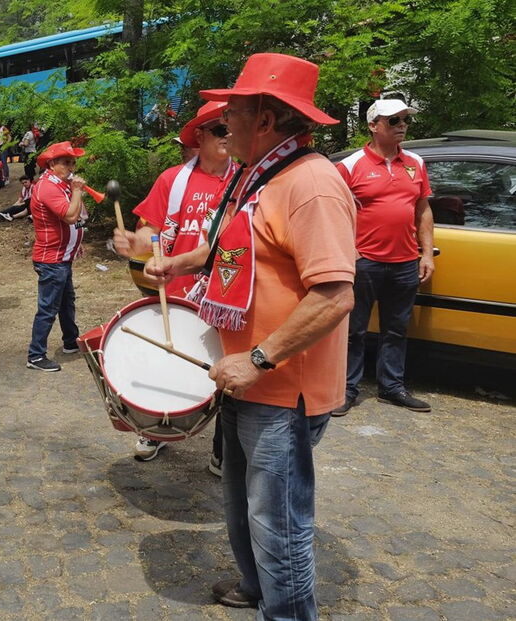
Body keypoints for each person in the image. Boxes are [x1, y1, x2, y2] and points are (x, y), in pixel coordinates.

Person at [146, 53, 356, 618]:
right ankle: (257, 586)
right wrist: (181, 261)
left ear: (264, 119)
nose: (221, 125)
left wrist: (258, 359)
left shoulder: (311, 184)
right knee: (240, 505)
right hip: (243, 375)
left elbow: (335, 295)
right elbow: (237, 249)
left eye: (229, 115)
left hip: (280, 386)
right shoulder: (258, 173)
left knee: (277, 520)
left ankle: (286, 610)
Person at [114, 101, 238, 463]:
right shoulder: (174, 179)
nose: (228, 136)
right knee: (166, 361)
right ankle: (156, 430)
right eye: (219, 129)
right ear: (199, 137)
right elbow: (150, 231)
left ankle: (222, 451)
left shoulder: (242, 177)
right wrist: (133, 243)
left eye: (230, 128)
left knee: (226, 372)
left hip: (228, 294)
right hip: (179, 291)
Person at [334, 99, 434, 415]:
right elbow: (334, 212)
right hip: (364, 262)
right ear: (374, 125)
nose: (402, 125)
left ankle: (391, 387)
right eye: (394, 120)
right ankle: (345, 390)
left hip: (405, 261)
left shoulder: (415, 162)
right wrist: (349, 252)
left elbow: (423, 209)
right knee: (353, 331)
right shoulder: (350, 166)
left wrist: (426, 253)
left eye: (405, 119)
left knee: (396, 329)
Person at [26, 141, 87, 372]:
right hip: (51, 259)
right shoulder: (48, 187)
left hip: (62, 257)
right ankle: (35, 355)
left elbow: (76, 219)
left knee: (66, 302)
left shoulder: (60, 184)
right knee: (48, 307)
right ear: (52, 164)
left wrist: (75, 242)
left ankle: (71, 341)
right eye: (66, 162)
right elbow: (70, 216)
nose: (71, 167)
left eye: (72, 162)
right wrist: (78, 191)